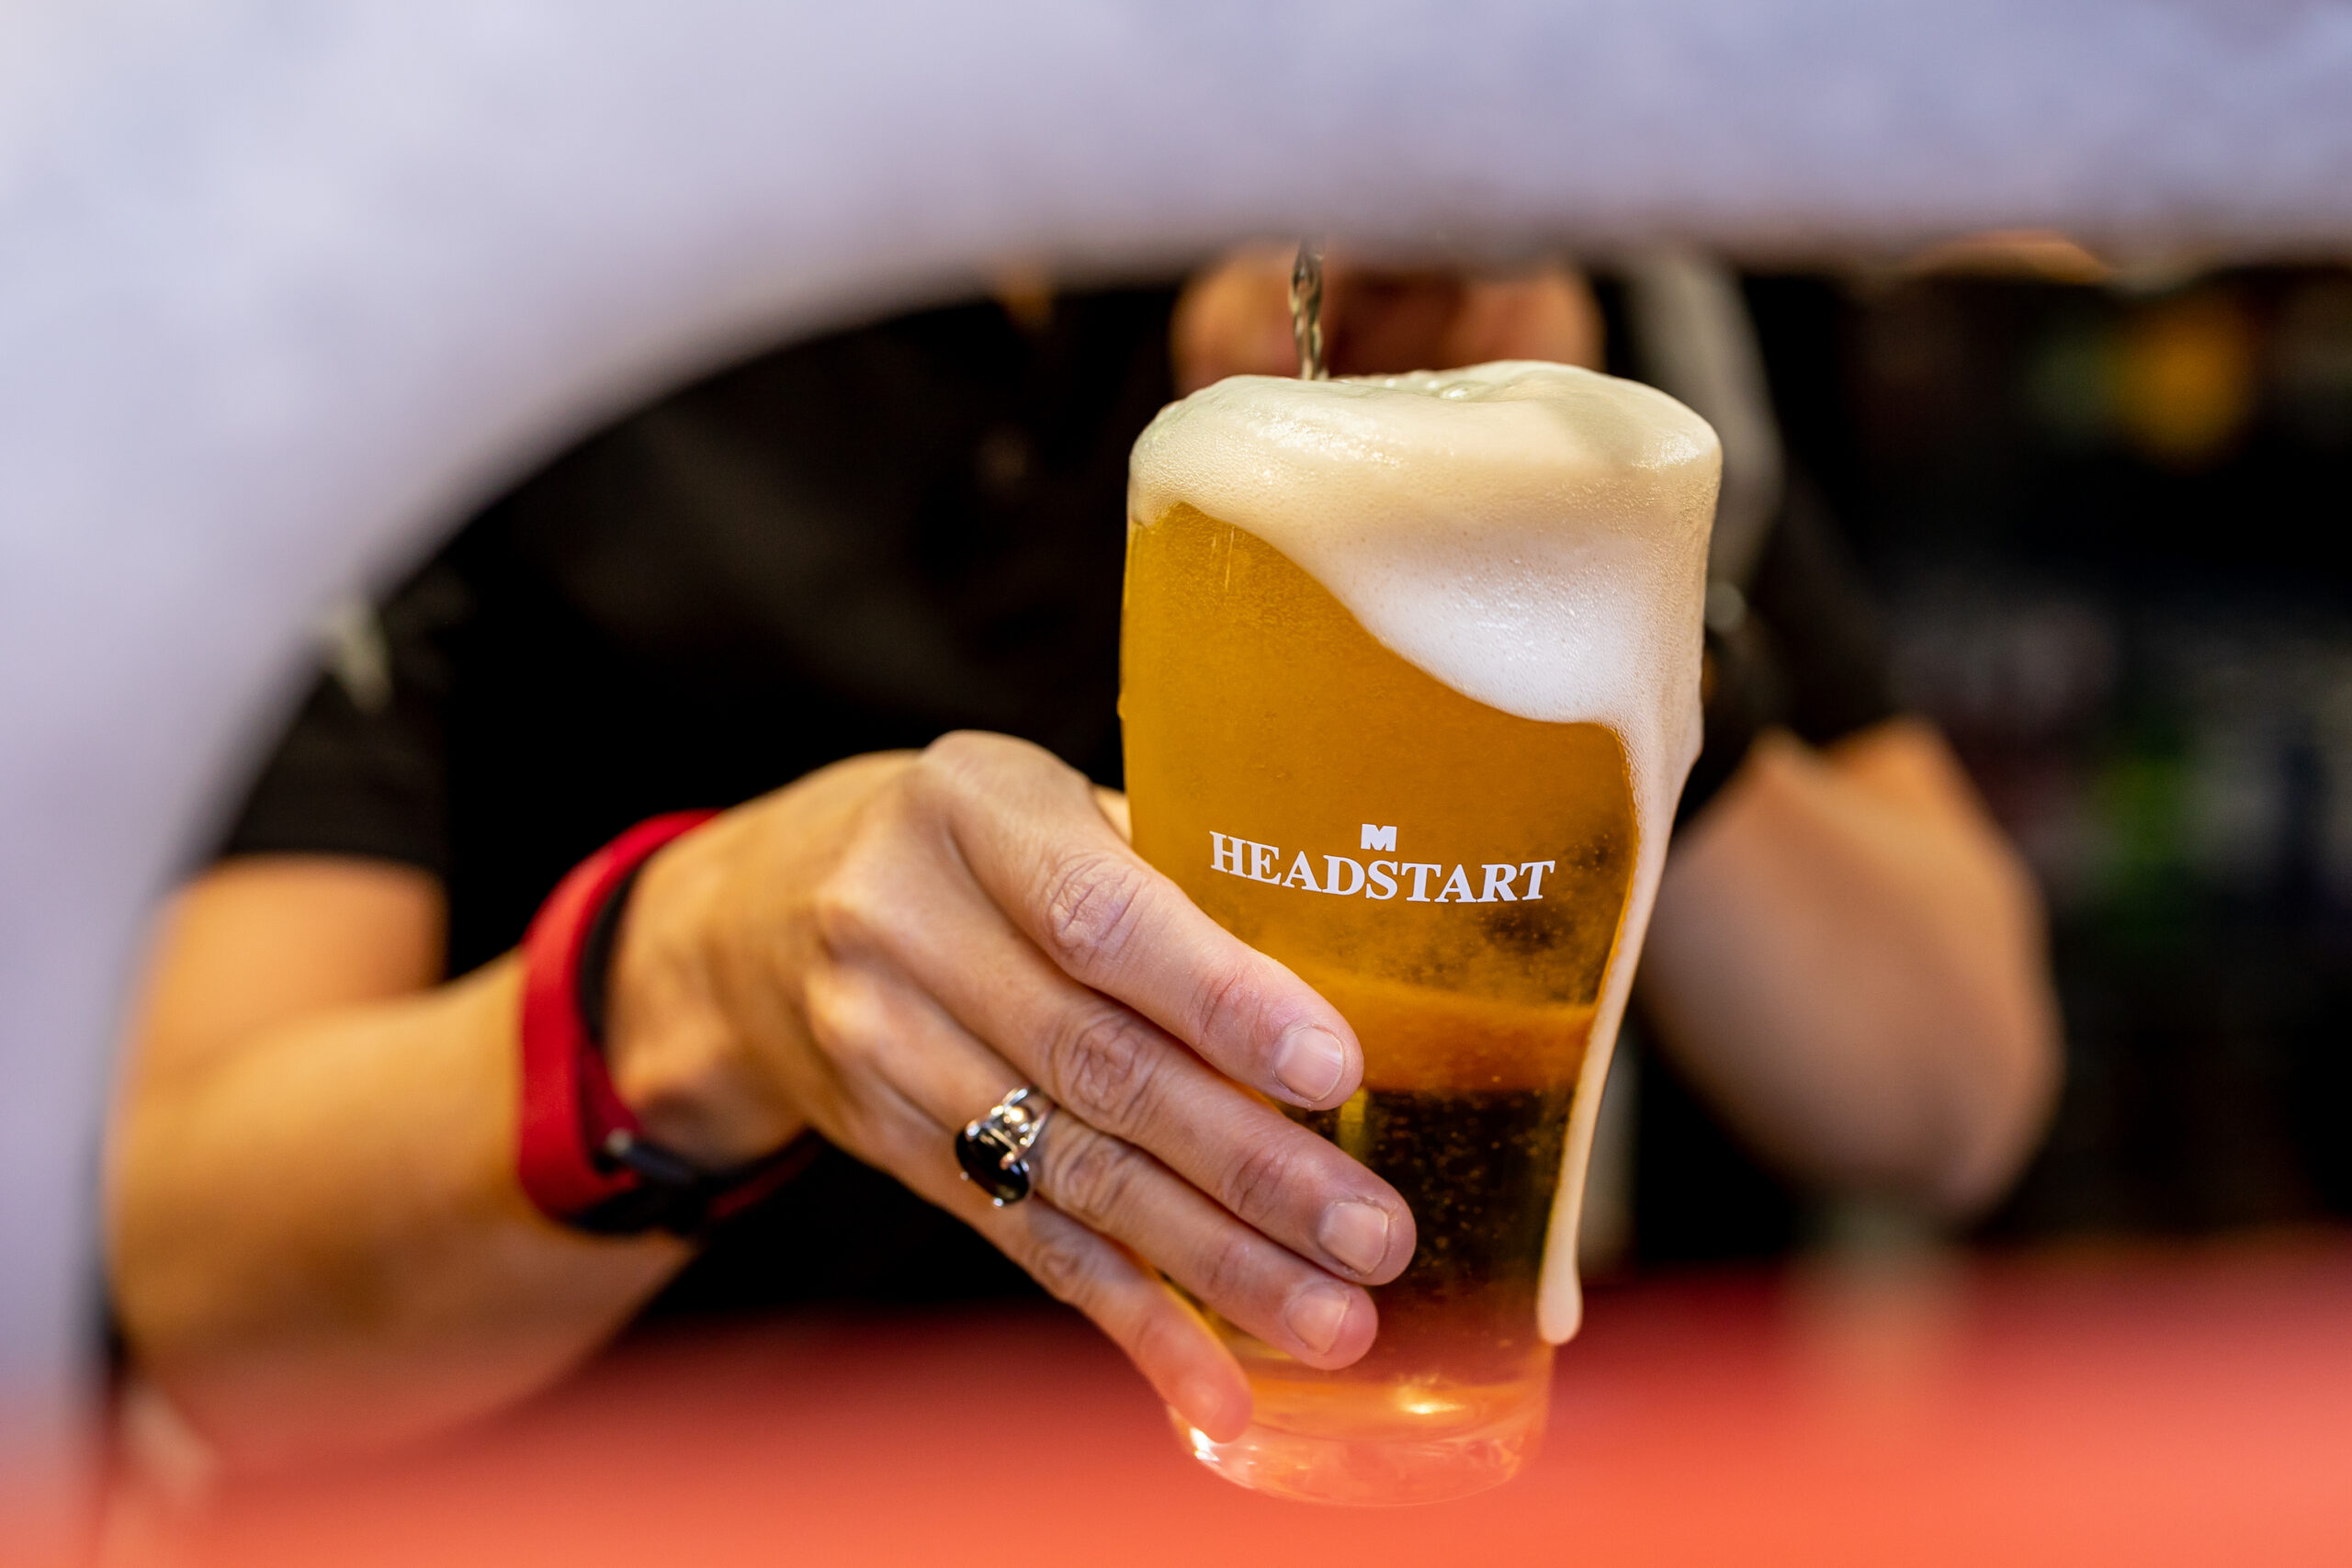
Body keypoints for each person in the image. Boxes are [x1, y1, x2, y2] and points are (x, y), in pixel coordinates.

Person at [106, 250, 2061, 1472]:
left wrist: (1571, 594)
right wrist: (710, 980)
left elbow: (1949, 1089)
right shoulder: (465, 224)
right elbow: (209, 1281)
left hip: (1365, 1482)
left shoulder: (1475, 226)